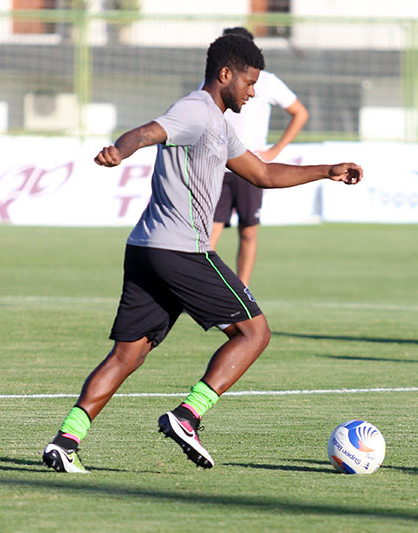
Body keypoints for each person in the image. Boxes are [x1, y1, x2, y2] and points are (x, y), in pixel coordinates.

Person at [42, 34, 362, 473]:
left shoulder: (219, 123)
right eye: (249, 83)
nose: (253, 92)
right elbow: (148, 131)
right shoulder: (194, 110)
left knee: (127, 355)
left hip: (147, 248)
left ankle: (66, 440)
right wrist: (121, 149)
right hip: (181, 250)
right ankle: (188, 416)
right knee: (255, 333)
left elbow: (263, 173)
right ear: (225, 74)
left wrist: (327, 170)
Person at [209, 27, 309, 286]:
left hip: (250, 166)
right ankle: (205, 288)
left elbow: (300, 113)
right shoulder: (216, 79)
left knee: (249, 232)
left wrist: (275, 150)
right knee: (209, 234)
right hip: (218, 166)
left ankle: (242, 290)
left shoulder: (266, 81)